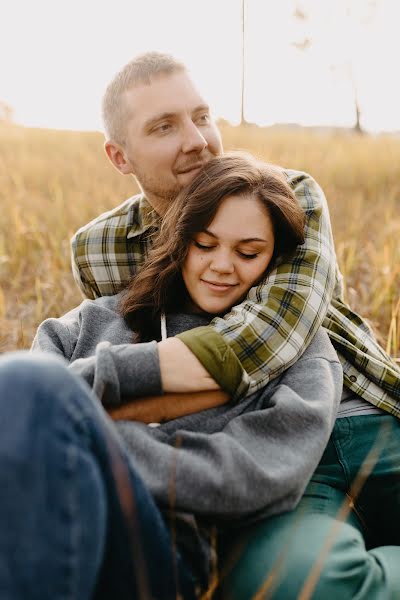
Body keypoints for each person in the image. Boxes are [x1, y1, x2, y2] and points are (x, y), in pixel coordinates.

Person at [69, 51, 400, 598]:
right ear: (119, 156)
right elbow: (138, 337)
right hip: (278, 445)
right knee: (290, 584)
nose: (197, 139)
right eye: (164, 126)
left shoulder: (286, 195)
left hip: (367, 408)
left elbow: (264, 339)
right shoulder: (100, 251)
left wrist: (76, 406)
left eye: (202, 115)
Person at [0, 153, 343, 599]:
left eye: (248, 252)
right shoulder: (93, 322)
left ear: (274, 258)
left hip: (161, 549)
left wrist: (89, 451)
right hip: (38, 520)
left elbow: (255, 475)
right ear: (179, 239)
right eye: (204, 244)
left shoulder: (296, 351)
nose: (222, 265)